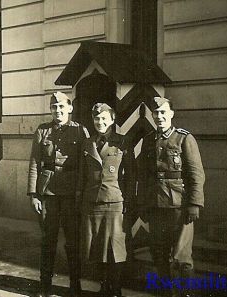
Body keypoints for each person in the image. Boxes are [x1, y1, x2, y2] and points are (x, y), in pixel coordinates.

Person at [138, 96, 205, 297]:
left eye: (163, 112)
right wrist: (143, 204)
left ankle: (184, 294)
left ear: (171, 114)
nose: (159, 116)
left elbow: (196, 173)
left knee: (181, 257)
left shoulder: (184, 138)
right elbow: (143, 176)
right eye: (156, 113)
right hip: (155, 205)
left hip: (179, 206)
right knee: (159, 253)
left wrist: (194, 203)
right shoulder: (148, 140)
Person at [27, 91, 89, 297]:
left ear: (70, 108)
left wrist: (80, 192)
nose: (58, 111)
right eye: (54, 108)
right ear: (51, 110)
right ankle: (45, 286)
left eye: (62, 107)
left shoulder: (80, 131)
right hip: (48, 193)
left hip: (71, 194)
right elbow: (35, 162)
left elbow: (84, 165)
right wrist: (33, 194)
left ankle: (75, 285)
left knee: (73, 241)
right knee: (48, 240)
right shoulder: (42, 131)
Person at [79, 103, 135, 297]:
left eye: (104, 118)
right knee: (96, 247)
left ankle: (115, 289)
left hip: (114, 201)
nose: (100, 122)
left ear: (112, 120)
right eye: (96, 119)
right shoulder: (87, 143)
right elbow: (82, 175)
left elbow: (131, 175)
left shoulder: (122, 142)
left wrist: (128, 201)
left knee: (114, 247)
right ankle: (103, 287)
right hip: (92, 201)